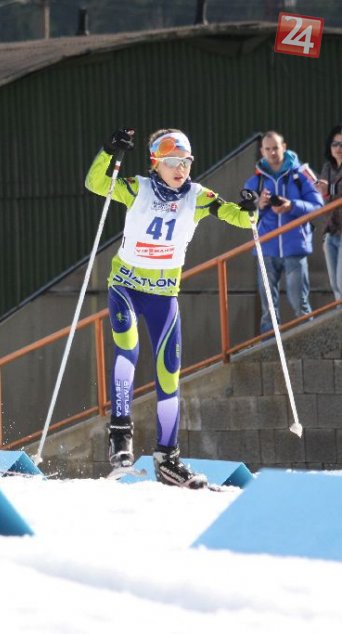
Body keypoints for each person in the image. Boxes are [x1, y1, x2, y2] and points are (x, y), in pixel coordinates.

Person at [86, 128, 258, 488]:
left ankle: (168, 458)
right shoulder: (137, 188)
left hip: (164, 295)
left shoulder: (197, 196)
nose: (180, 168)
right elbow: (96, 184)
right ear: (156, 163)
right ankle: (120, 435)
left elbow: (238, 218)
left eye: (186, 161)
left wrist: (250, 210)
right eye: (172, 162)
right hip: (127, 288)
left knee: (169, 374)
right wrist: (108, 151)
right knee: (128, 351)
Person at [243, 131, 324, 334]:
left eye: (276, 148)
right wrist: (259, 205)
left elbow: (319, 205)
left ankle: (309, 342)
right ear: (262, 151)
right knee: (268, 308)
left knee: (300, 302)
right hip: (267, 249)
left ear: (284, 147)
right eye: (268, 149)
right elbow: (244, 216)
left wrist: (292, 206)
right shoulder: (255, 182)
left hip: (294, 247)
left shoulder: (301, 175)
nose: (272, 152)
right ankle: (270, 347)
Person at [315, 125, 342, 302]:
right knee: (335, 286)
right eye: (335, 144)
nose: (339, 149)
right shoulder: (328, 167)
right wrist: (318, 189)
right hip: (330, 231)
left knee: (341, 282)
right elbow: (324, 194)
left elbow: (332, 189)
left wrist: (329, 188)